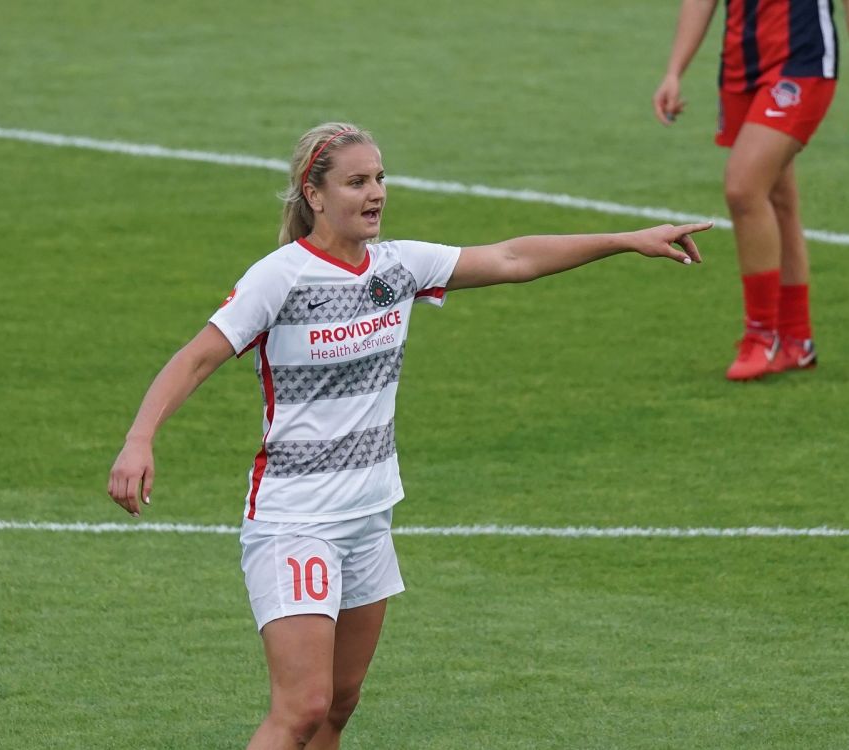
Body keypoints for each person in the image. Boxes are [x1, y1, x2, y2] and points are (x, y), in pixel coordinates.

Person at [107, 122, 708, 749]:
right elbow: (195, 358)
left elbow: (512, 258)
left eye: (379, 178)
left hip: (369, 518)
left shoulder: (398, 268)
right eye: (356, 182)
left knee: (339, 704)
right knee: (302, 707)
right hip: (297, 522)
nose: (376, 193)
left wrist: (626, 241)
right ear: (314, 195)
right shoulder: (279, 277)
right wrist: (139, 438)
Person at [653, 0, 849, 380]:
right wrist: (673, 71)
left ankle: (761, 337)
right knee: (778, 199)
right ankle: (796, 341)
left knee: (743, 189)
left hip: (802, 64)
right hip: (740, 67)